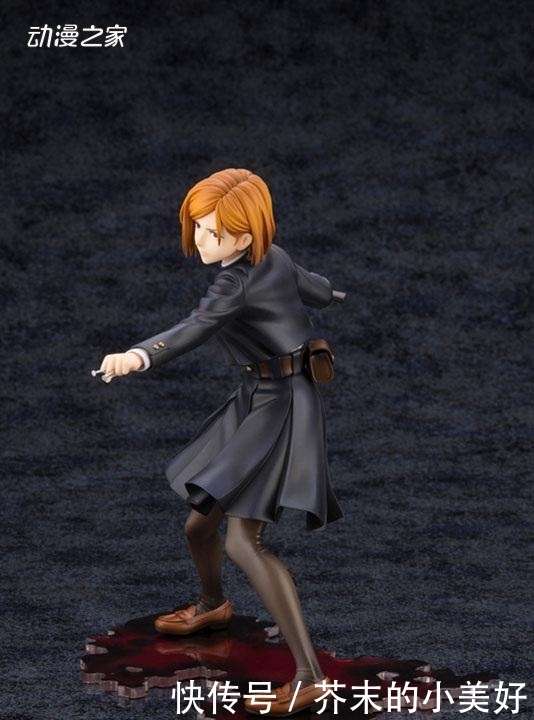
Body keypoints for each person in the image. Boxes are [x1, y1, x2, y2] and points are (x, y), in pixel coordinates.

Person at [98, 168, 345, 715]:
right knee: (199, 523)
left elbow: (195, 327)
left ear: (246, 233)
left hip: (281, 406)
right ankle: (213, 605)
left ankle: (311, 677)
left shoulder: (234, 284)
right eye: (199, 227)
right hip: (257, 396)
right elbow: (313, 286)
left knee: (242, 542)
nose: (202, 240)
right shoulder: (274, 256)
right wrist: (331, 293)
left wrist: (137, 356)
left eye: (215, 232)